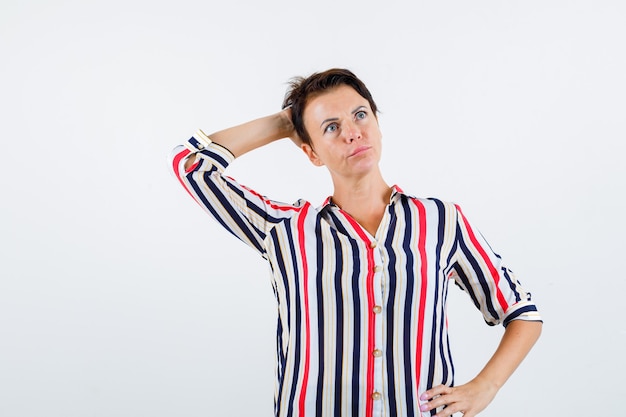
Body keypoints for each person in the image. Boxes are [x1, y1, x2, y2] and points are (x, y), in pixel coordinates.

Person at [169, 68, 542, 417]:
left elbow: (522, 312)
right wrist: (286, 122)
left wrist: (485, 386)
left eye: (361, 115)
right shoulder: (285, 228)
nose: (352, 132)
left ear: (378, 125)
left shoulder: (441, 221)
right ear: (311, 152)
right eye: (331, 127)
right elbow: (190, 164)